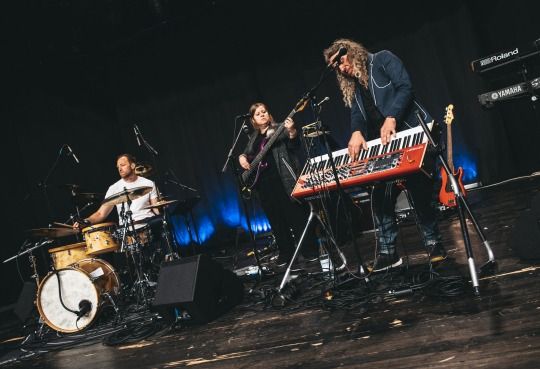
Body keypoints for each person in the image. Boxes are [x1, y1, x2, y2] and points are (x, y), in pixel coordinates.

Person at [323, 39, 446, 271]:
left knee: (419, 191)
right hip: (386, 144)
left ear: (350, 52)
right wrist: (357, 132)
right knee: (380, 195)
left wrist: (392, 116)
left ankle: (434, 244)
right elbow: (357, 114)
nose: (340, 68)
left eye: (340, 60)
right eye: (335, 67)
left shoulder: (382, 59)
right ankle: (388, 252)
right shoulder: (355, 85)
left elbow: (405, 87)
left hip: (412, 132)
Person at [239, 103, 316, 267]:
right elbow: (247, 153)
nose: (262, 114)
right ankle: (286, 253)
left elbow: (295, 146)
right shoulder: (253, 137)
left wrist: (293, 131)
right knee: (277, 222)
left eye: (264, 111)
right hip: (264, 186)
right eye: (258, 113)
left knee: (296, 217)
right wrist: (242, 157)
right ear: (253, 119)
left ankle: (309, 250)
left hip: (284, 180)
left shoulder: (280, 128)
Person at [74, 153, 160, 230]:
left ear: (133, 165)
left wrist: (162, 210)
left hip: (149, 225)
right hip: (127, 229)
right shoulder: (114, 188)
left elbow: (155, 208)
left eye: (122, 165)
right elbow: (101, 214)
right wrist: (86, 221)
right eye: (118, 167)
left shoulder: (148, 183)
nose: (120, 169)